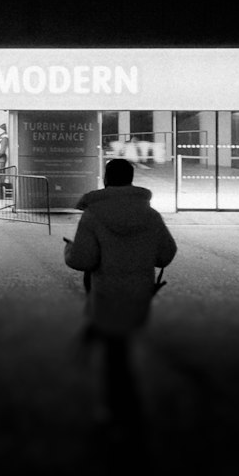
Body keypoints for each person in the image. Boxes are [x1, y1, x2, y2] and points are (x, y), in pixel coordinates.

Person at [65, 158, 177, 423]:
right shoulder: (150, 215)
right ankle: (125, 406)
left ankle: (119, 410)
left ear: (106, 178)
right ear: (131, 179)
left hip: (106, 294)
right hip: (139, 294)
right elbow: (165, 254)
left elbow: (83, 260)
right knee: (121, 346)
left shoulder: (93, 215)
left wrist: (69, 249)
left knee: (116, 354)